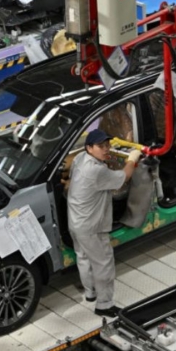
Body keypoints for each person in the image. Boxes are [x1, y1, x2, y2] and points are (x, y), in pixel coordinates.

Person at [67, 129, 141, 317]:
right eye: (101, 146)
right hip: (91, 227)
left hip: (75, 221)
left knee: (83, 257)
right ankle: (104, 305)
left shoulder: (80, 158)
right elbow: (124, 177)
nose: (106, 149)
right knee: (103, 262)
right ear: (89, 148)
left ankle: (90, 293)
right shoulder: (96, 171)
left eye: (107, 145)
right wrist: (132, 159)